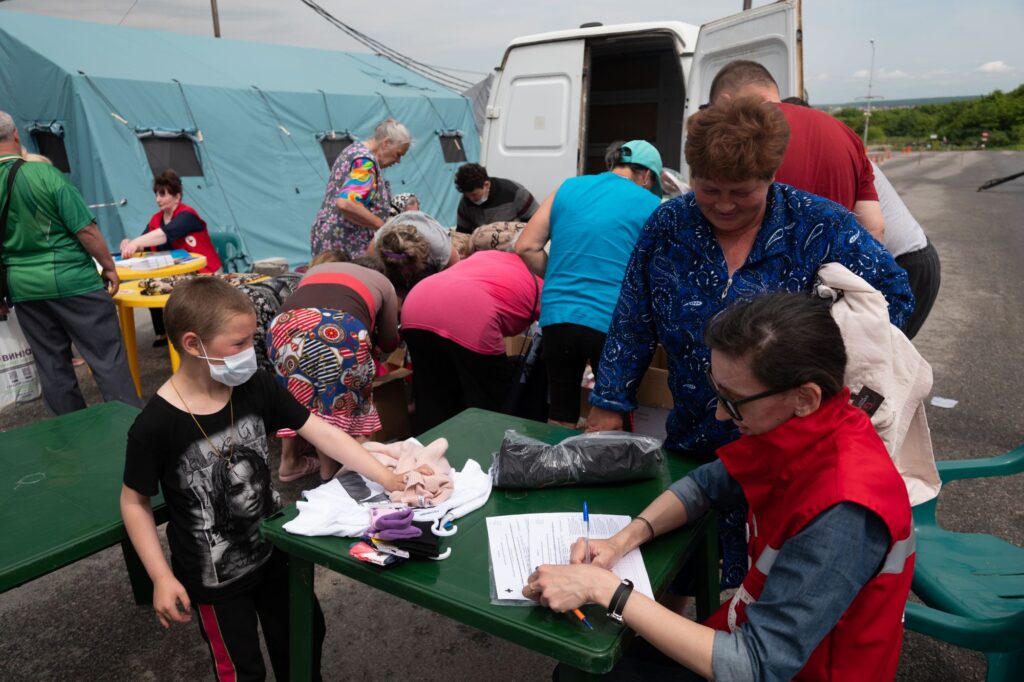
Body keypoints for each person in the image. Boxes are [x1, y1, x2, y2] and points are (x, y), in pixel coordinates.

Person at [584, 98, 911, 592]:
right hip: (694, 429)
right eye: (708, 189)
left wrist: (818, 360)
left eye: (742, 192)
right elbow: (633, 318)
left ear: (771, 176)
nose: (723, 204)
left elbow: (893, 301)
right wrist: (609, 400)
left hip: (788, 448)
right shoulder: (668, 225)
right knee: (676, 564)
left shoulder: (820, 225)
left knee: (768, 581)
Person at [526, 293, 914, 681]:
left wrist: (608, 590)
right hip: (747, 633)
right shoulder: (805, 428)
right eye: (718, 392)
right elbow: (706, 485)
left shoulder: (844, 511)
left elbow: (756, 666)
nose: (721, 414)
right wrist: (620, 541)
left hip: (794, 671)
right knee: (584, 667)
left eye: (735, 401)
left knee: (583, 673)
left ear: (805, 397)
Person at [120, 277, 406, 680]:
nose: (249, 354)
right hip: (215, 581)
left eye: (251, 340)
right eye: (238, 344)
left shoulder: (255, 385)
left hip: (275, 551)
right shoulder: (155, 425)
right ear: (193, 344)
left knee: (303, 640)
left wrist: (387, 478)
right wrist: (161, 577)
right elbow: (134, 502)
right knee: (241, 669)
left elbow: (321, 432)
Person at [0, 110, 140, 415]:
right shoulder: (43, 174)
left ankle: (70, 436)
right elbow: (85, 230)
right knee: (107, 359)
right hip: (73, 281)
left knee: (52, 367)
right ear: (16, 135)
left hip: (24, 289)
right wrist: (109, 266)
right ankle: (129, 428)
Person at [516, 140, 663, 428]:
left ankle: (555, 457)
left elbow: (525, 246)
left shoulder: (568, 188)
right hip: (611, 321)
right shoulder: (650, 204)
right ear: (647, 176)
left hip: (558, 317)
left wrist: (560, 276)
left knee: (560, 413)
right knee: (610, 415)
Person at [709, 60, 886, 242]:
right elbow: (874, 228)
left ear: (724, 101)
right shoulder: (846, 134)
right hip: (835, 257)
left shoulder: (734, 136)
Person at [268, 250, 400, 483]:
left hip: (283, 326)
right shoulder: (383, 282)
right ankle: (329, 470)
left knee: (297, 393)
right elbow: (390, 341)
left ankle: (289, 462)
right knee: (340, 398)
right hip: (340, 329)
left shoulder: (316, 271)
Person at [400, 249, 542, 432]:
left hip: (417, 303)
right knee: (489, 402)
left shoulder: (490, 257)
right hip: (469, 315)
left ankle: (425, 445)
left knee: (432, 395)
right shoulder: (543, 286)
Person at [120, 169, 223, 346]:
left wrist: (136, 242)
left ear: (177, 196)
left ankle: (195, 333)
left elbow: (164, 234)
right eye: (156, 194)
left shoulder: (187, 215)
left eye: (163, 194)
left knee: (166, 286)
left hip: (202, 271)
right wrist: (130, 243)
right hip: (176, 272)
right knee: (150, 281)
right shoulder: (156, 219)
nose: (158, 199)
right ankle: (163, 333)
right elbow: (145, 241)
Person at [310, 119, 411, 259]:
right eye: (398, 154)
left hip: (330, 239)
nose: (398, 161)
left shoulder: (354, 150)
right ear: (386, 143)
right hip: (344, 245)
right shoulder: (365, 162)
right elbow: (347, 202)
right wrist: (384, 228)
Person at [872, 162, 941, 338]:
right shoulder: (848, 155)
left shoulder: (842, 160)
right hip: (911, 258)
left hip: (906, 263)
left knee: (882, 348)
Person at [368, 210, 459, 297]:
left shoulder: (439, 246)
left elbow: (454, 274)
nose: (406, 273)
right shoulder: (375, 248)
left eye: (410, 269)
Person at [454, 163, 538, 234]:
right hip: (482, 246)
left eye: (474, 195)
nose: (471, 199)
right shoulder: (465, 202)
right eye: (467, 195)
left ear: (486, 185)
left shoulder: (515, 193)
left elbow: (538, 221)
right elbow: (462, 234)